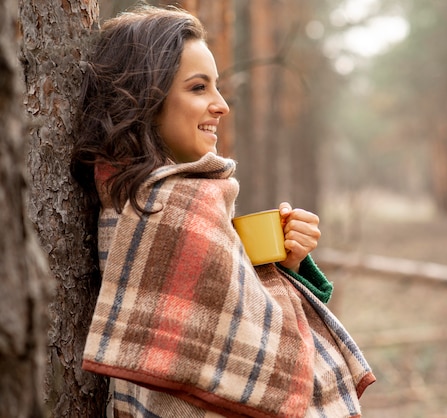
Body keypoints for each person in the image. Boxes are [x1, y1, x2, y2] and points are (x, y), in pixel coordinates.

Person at [71, 5, 374, 418]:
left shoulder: (130, 191)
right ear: (148, 97)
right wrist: (274, 277)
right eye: (198, 88)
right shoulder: (166, 205)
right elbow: (269, 352)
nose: (221, 105)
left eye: (217, 87)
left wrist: (286, 264)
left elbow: (229, 315)